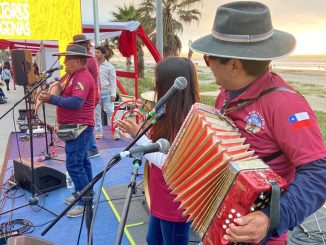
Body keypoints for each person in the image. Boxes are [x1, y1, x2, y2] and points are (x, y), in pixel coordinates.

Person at [191, 1, 326, 244]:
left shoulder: (285, 105)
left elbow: (318, 173)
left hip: (261, 236)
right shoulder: (226, 94)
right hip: (218, 224)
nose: (207, 65)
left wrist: (271, 219)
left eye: (209, 58)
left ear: (234, 64)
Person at [117, 56, 200, 245]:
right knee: (153, 239)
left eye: (158, 80)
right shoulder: (166, 112)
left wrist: (139, 137)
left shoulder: (185, 120)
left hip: (174, 202)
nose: (155, 84)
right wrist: (136, 136)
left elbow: (170, 164)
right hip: (161, 195)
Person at [38, 44, 96, 218]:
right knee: (82, 163)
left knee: (74, 165)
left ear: (78, 60)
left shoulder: (83, 78)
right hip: (76, 128)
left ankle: (85, 202)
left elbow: (76, 102)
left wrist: (52, 98)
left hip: (80, 128)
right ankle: (84, 193)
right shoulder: (72, 75)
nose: (64, 61)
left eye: (67, 59)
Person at [71, 34, 101, 157]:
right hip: (91, 94)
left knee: (86, 122)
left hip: (89, 95)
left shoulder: (86, 59)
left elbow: (80, 76)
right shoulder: (89, 57)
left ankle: (92, 149)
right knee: (86, 121)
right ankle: (92, 148)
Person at [94, 46, 120, 140]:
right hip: (95, 93)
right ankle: (99, 131)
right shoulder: (93, 65)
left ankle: (115, 131)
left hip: (106, 93)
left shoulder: (109, 67)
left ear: (103, 54)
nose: (95, 54)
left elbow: (113, 81)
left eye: (98, 52)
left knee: (111, 113)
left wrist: (113, 94)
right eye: (95, 52)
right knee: (96, 114)